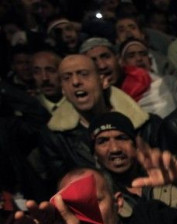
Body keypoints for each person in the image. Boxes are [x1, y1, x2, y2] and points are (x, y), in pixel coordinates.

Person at [39, 54, 162, 188]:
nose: (75, 82)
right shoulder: (55, 138)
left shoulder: (148, 125)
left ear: (103, 81)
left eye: (84, 74)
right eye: (67, 78)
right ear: (63, 89)